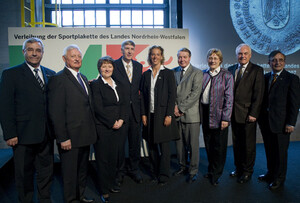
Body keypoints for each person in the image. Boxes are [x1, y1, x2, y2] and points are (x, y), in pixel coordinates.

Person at [0, 38, 55, 203]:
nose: (34, 53)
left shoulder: (50, 73)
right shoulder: (11, 74)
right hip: (22, 136)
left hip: (46, 134)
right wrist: (10, 134)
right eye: (30, 49)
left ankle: (45, 199)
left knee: (46, 171)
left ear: (42, 53)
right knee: (24, 173)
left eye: (38, 50)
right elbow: (5, 106)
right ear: (23, 52)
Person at [47, 44, 97, 203]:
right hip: (70, 138)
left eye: (79, 56)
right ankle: (70, 200)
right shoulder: (58, 79)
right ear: (64, 59)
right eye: (73, 56)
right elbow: (56, 112)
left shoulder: (82, 78)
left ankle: (80, 196)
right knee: (69, 173)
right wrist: (63, 138)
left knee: (82, 170)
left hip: (85, 135)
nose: (77, 59)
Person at [258, 50, 300, 190]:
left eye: (280, 60)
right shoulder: (264, 78)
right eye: (274, 60)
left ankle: (279, 179)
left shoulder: (291, 79)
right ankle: (270, 174)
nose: (277, 62)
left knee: (281, 153)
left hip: (282, 124)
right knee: (270, 150)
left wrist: (291, 123)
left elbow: (294, 103)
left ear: (284, 62)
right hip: (267, 123)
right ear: (269, 62)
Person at [140, 45, 179, 185]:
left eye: (157, 54)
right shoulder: (145, 74)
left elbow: (172, 95)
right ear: (150, 56)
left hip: (163, 116)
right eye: (152, 54)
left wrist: (169, 115)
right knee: (151, 146)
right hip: (149, 116)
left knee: (164, 147)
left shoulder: (168, 73)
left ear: (162, 57)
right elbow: (143, 97)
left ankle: (163, 175)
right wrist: (143, 114)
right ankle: (154, 172)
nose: (155, 57)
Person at [90, 56, 127, 202]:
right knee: (103, 159)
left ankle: (111, 183)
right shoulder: (96, 85)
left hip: (119, 126)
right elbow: (98, 108)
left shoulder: (117, 84)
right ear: (99, 68)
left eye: (109, 66)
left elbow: (124, 104)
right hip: (104, 127)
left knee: (114, 158)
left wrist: (122, 120)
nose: (107, 69)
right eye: (104, 66)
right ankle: (103, 189)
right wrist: (112, 122)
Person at [228, 43, 264, 183]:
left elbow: (258, 94)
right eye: (240, 54)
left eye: (245, 53)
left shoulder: (257, 70)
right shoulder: (231, 69)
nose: (242, 56)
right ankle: (239, 169)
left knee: (248, 145)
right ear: (236, 55)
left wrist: (254, 113)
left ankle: (248, 171)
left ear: (250, 55)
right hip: (233, 113)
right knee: (237, 144)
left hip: (248, 114)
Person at [112, 40, 143, 185]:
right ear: (121, 50)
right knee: (119, 145)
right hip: (121, 112)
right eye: (127, 48)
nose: (129, 51)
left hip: (136, 112)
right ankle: (119, 172)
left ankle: (134, 170)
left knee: (135, 144)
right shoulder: (114, 65)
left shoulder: (138, 66)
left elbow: (140, 90)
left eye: (132, 48)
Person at [201, 48, 234, 186]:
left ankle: (217, 173)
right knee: (209, 144)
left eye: (215, 58)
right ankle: (211, 168)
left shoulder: (227, 75)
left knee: (219, 147)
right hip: (205, 112)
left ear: (220, 60)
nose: (212, 60)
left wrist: (226, 118)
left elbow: (229, 98)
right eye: (210, 58)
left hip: (220, 115)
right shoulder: (204, 74)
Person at [172, 48, 203, 183]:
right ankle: (182, 166)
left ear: (189, 58)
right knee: (179, 145)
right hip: (176, 114)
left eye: (184, 57)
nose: (182, 59)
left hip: (191, 115)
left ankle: (193, 171)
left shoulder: (197, 72)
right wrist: (174, 107)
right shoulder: (173, 71)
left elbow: (195, 94)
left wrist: (181, 108)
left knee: (193, 146)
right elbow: (170, 91)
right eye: (180, 57)